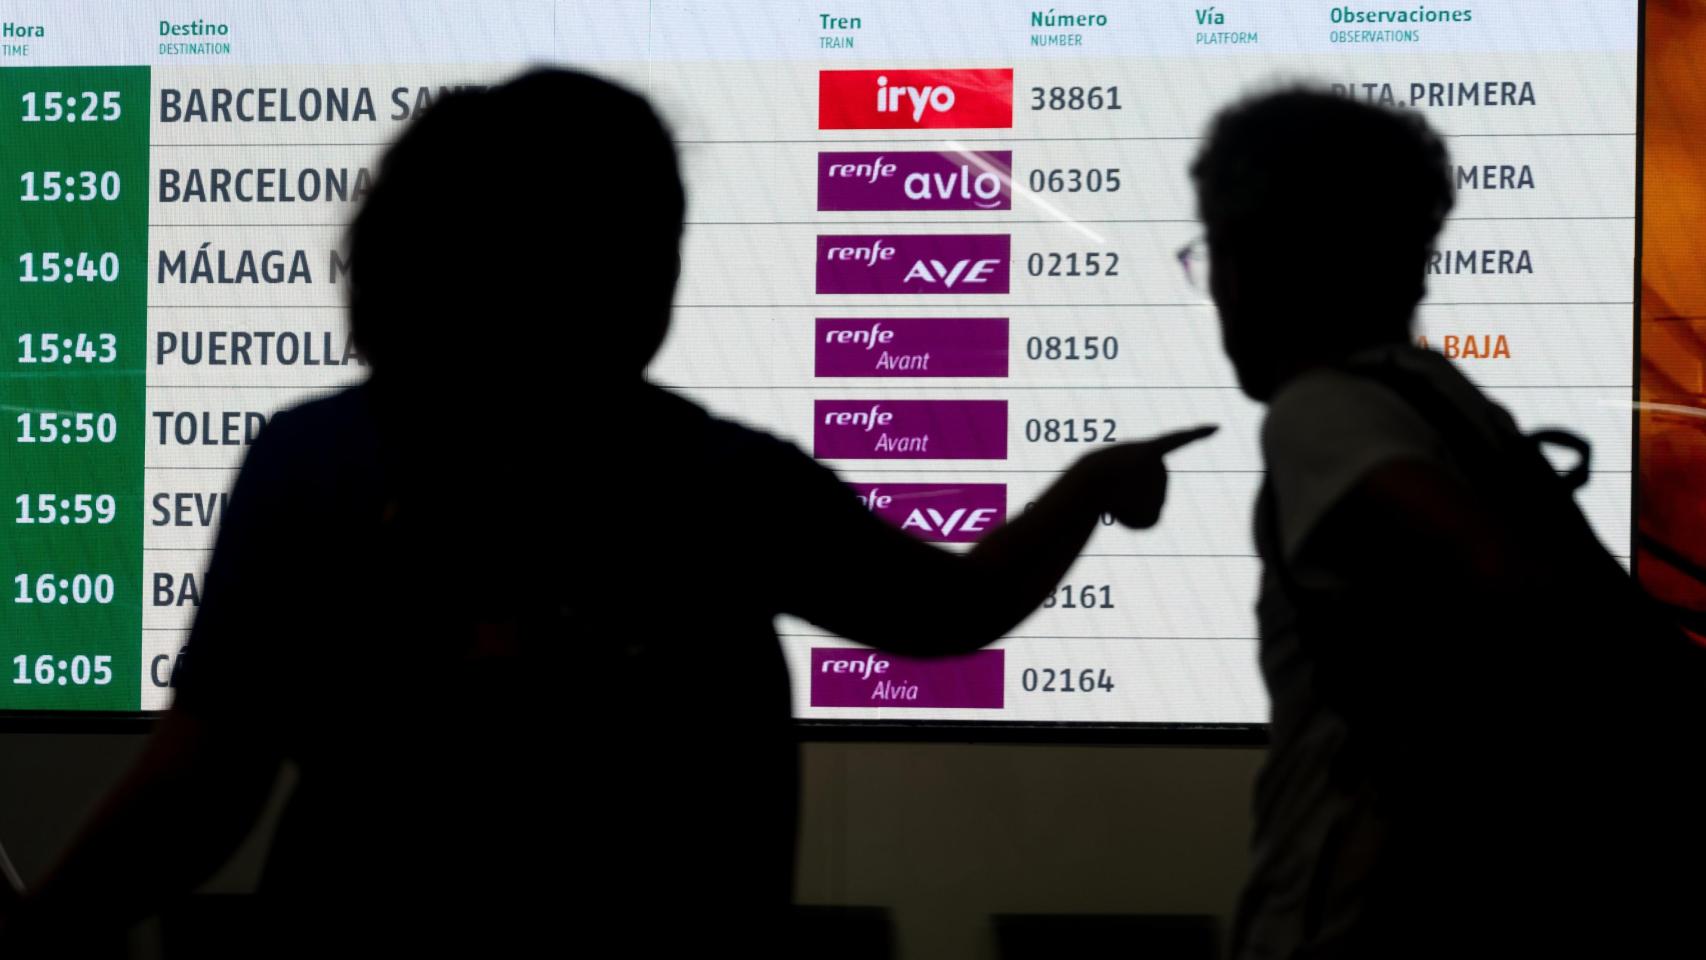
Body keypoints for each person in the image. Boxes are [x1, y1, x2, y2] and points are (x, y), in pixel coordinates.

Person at [0, 69, 1213, 955]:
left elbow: (202, 788)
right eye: (653, 237)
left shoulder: (316, 460)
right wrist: (1089, 485)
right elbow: (949, 611)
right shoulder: (718, 479)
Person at [1194, 89, 1704, 959]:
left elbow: (1510, 588)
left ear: (1252, 260)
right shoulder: (1456, 407)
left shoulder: (1322, 414)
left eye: (1213, 251)